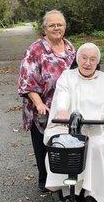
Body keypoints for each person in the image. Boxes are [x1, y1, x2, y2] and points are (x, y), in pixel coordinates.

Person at [44, 43, 104, 202]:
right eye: (84, 58)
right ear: (77, 58)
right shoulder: (67, 76)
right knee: (60, 142)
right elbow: (63, 95)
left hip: (98, 129)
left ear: (98, 62)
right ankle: (66, 193)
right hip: (70, 127)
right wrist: (62, 110)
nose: (87, 63)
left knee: (96, 146)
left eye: (92, 59)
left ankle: (92, 196)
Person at [17, 10, 76, 192]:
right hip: (43, 108)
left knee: (63, 144)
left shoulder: (70, 48)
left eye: (60, 24)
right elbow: (27, 80)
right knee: (44, 146)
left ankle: (62, 179)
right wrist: (38, 103)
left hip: (64, 108)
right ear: (45, 28)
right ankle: (45, 181)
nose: (56, 28)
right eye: (52, 25)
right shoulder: (36, 49)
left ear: (65, 27)